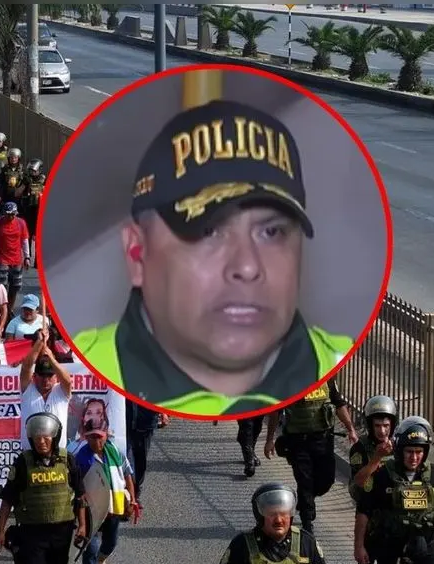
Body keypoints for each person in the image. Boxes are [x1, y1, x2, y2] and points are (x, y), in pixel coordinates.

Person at [71, 100, 355, 415]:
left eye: (271, 232)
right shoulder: (87, 368)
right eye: (209, 231)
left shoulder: (333, 359)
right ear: (137, 253)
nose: (247, 267)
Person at [0, 413, 87, 564]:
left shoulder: (67, 460)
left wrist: (82, 526)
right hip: (33, 532)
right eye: (37, 437)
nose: (41, 441)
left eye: (46, 437)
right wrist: (0, 531)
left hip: (62, 531)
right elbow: (8, 499)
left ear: (55, 437)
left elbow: (80, 495)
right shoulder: (23, 462)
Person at [356, 418, 434, 564]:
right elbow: (364, 511)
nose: (414, 457)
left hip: (427, 549)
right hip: (392, 548)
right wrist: (359, 546)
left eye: (418, 451)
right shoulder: (383, 476)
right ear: (400, 451)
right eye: (409, 451)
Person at [264, 377, 357, 533]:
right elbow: (276, 411)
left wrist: (351, 429)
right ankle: (307, 522)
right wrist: (269, 440)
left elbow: (338, 403)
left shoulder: (326, 379)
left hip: (323, 440)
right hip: (298, 441)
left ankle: (306, 498)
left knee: (326, 481)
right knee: (304, 480)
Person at [214, 483, 337, 564]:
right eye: (272, 514)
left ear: (291, 515)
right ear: (260, 516)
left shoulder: (306, 542)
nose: (278, 520)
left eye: (283, 514)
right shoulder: (242, 545)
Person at [73, 417, 138, 564]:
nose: (97, 440)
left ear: (106, 435)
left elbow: (127, 473)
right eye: (92, 437)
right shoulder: (81, 458)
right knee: (91, 547)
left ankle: (101, 561)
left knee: (111, 543)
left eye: (100, 436)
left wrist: (132, 499)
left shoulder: (115, 451)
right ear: (86, 437)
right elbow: (76, 487)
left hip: (113, 508)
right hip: (91, 511)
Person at [348, 395, 398, 564]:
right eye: (377, 426)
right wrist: (376, 458)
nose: (382, 431)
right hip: (368, 519)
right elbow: (357, 484)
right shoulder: (360, 449)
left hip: (392, 518)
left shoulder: (399, 447)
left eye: (386, 425)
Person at [19, 335, 73, 451]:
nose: (46, 380)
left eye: (49, 376)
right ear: (34, 376)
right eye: (42, 375)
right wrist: (39, 342)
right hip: (30, 454)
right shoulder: (28, 389)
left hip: (57, 454)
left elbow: (68, 381)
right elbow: (26, 368)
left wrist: (51, 358)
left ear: (56, 377)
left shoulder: (61, 392)